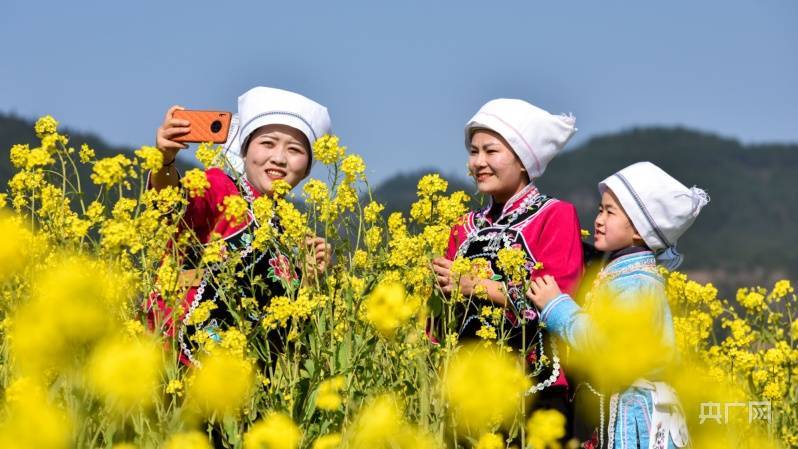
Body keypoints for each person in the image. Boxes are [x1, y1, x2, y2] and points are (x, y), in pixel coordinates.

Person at [146, 86, 331, 365]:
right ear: (244, 151)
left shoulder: (294, 231)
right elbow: (170, 206)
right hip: (171, 362)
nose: (279, 158)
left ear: (306, 169)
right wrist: (164, 161)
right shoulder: (220, 186)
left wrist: (309, 281)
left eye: (294, 150)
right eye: (267, 143)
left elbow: (287, 336)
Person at [527, 161, 704, 449]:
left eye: (610, 212)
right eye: (600, 209)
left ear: (639, 231)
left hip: (638, 421)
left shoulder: (637, 283)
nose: (598, 219)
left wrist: (557, 307)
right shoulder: (621, 274)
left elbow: (606, 347)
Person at [431, 98, 584, 429]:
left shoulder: (554, 215)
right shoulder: (464, 226)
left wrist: (480, 286)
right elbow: (445, 317)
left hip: (534, 386)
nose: (479, 163)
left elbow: (557, 298)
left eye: (491, 151)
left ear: (523, 160)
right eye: (474, 152)